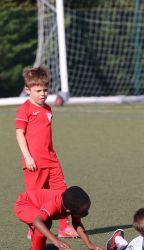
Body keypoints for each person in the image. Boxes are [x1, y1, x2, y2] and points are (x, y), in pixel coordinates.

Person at [15, 66, 78, 238]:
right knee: (35, 198)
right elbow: (19, 133)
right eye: (38, 90)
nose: (42, 94)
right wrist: (27, 156)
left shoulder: (48, 109)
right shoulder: (24, 109)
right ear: (28, 90)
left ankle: (64, 227)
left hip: (52, 160)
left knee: (61, 192)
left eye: (45, 90)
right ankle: (34, 227)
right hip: (34, 162)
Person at [14, 186, 103, 250]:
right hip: (24, 204)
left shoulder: (70, 203)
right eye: (83, 211)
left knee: (45, 222)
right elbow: (37, 222)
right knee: (44, 223)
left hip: (37, 209)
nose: (86, 213)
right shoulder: (55, 204)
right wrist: (56, 241)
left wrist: (89, 244)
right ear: (68, 210)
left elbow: (77, 224)